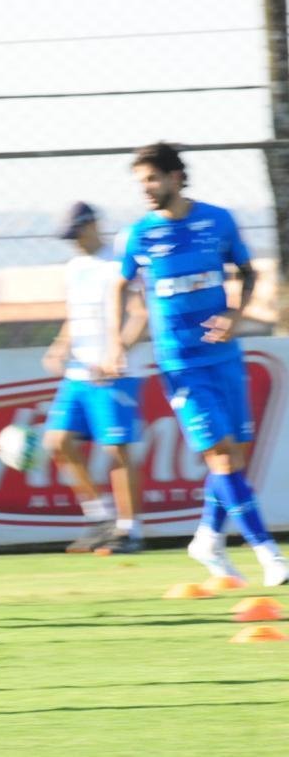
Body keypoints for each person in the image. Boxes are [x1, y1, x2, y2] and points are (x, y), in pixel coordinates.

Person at [105, 142, 287, 586]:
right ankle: (268, 555)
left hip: (224, 357)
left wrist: (234, 315)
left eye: (152, 178)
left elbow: (249, 273)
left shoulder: (217, 221)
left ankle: (207, 537)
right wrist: (116, 344)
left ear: (175, 178)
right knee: (223, 457)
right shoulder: (137, 235)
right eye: (140, 182)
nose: (146, 189)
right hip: (180, 365)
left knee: (234, 456)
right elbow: (119, 287)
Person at [42, 202, 145, 555]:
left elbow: (139, 314)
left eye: (76, 233)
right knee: (58, 442)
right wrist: (59, 346)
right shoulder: (74, 268)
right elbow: (74, 315)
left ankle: (129, 531)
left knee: (116, 449)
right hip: (78, 373)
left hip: (115, 374)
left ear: (92, 226)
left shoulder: (119, 263)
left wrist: (119, 352)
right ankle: (101, 519)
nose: (73, 241)